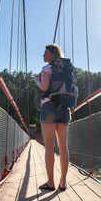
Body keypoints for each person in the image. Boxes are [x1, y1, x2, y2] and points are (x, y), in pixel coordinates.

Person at [34, 43, 71, 191]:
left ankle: (50, 182)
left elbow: (44, 87)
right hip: (64, 109)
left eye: (46, 53)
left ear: (53, 55)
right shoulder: (67, 69)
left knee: (49, 147)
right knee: (63, 147)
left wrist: (37, 79)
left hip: (49, 107)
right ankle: (63, 182)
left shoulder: (46, 68)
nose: (43, 55)